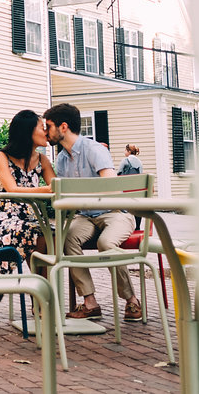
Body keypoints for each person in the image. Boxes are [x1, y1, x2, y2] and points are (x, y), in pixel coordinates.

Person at [42, 103, 142, 321]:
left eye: (48, 126)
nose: (45, 131)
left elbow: (112, 188)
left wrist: (77, 194)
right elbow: (65, 195)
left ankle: (132, 300)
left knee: (106, 243)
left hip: (115, 212)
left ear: (63, 127)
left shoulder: (94, 149)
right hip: (85, 215)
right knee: (66, 236)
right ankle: (90, 302)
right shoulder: (61, 159)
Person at [0, 110, 57, 281]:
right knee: (36, 233)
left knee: (52, 234)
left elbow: (57, 187)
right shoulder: (1, 157)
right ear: (27, 131)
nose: (46, 132)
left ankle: (41, 290)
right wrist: (46, 190)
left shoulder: (42, 160)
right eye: (42, 127)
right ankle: (38, 293)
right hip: (4, 218)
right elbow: (12, 189)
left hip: (33, 217)